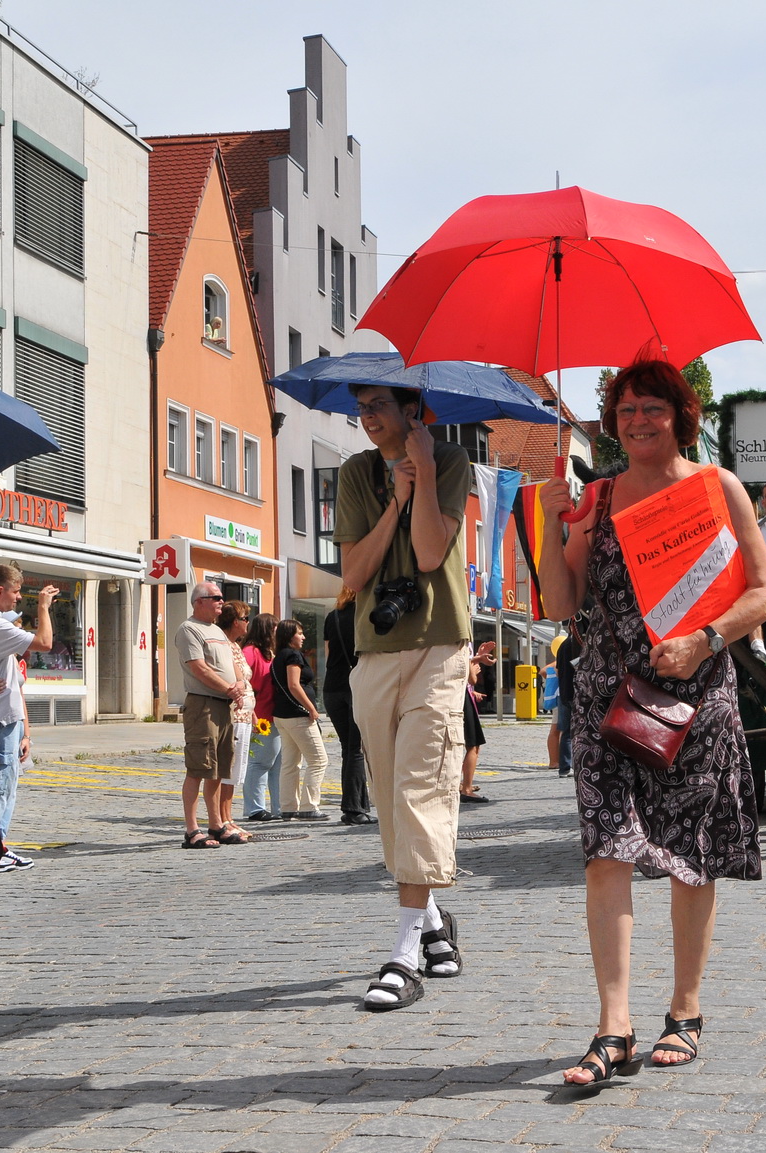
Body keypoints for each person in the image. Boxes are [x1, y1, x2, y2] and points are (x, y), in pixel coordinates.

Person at [538, 359, 766, 1086]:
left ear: (681, 413)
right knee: (605, 851)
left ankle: (686, 1008)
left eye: (650, 408)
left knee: (689, 852)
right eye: (623, 410)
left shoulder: (716, 489)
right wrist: (555, 530)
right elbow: (561, 602)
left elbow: (765, 591)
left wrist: (705, 638)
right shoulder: (598, 494)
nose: (636, 421)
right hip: (607, 700)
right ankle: (613, 1026)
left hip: (693, 697)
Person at [334, 382, 470, 1011]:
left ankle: (404, 951)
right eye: (361, 408)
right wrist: (398, 496)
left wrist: (421, 471)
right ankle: (436, 919)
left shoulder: (450, 461)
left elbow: (428, 551)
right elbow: (355, 574)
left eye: (379, 406)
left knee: (421, 785)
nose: (366, 418)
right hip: (375, 649)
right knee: (391, 795)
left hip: (439, 645)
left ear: (413, 412)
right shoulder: (356, 474)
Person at [0, 565, 55, 873]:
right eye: (16, 592)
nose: (19, 599)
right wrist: (43, 608)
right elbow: (45, 642)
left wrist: (25, 732)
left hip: (0, 720)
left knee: (1, 789)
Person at [175, 581, 245, 850]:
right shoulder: (189, 629)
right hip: (202, 705)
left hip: (224, 705)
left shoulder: (216, 630)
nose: (221, 602)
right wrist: (230, 688)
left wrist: (238, 685)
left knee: (219, 767)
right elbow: (199, 668)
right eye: (215, 597)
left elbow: (231, 665)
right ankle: (192, 830)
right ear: (199, 601)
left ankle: (216, 824)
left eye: (221, 597)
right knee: (198, 767)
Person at [322, 591, 374, 825]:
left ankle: (357, 805)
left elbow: (328, 653)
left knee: (349, 748)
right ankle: (354, 808)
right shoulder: (365, 615)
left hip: (332, 688)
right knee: (356, 749)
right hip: (356, 685)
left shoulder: (332, 616)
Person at [271, 619, 329, 821]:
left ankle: (288, 807)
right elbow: (294, 685)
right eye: (300, 633)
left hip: (282, 715)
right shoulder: (293, 655)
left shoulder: (279, 656)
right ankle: (309, 805)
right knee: (319, 760)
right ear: (289, 635)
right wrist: (312, 708)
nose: (303, 637)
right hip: (297, 715)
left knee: (290, 763)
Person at [212, 601, 259, 843]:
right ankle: (221, 818)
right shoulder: (225, 646)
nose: (247, 624)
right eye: (244, 619)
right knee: (228, 769)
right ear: (234, 622)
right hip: (233, 713)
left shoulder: (236, 645)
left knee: (237, 769)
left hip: (244, 714)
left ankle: (228, 817)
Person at [239, 613, 282, 822]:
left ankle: (279, 807)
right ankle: (255, 808)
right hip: (262, 716)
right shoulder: (251, 652)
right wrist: (253, 715)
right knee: (260, 762)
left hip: (275, 715)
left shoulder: (269, 652)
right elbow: (245, 683)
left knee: (277, 764)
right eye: (275, 628)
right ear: (266, 630)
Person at [460, 642, 494, 804]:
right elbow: (471, 677)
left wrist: (476, 658)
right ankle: (466, 788)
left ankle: (462, 784)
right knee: (473, 745)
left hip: (461, 694)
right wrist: (475, 663)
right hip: (462, 697)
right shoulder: (462, 640)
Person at [554, 624, 582, 775]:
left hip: (564, 692)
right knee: (578, 731)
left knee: (566, 731)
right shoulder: (576, 644)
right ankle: (573, 765)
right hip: (575, 692)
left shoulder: (562, 645)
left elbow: (558, 671)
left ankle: (564, 767)